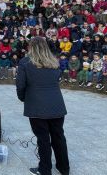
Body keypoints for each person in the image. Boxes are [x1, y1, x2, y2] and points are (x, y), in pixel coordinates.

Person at [16, 37, 69, 175]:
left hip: (36, 106)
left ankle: (45, 170)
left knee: (43, 139)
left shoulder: (25, 62)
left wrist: (23, 98)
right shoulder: (54, 62)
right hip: (56, 104)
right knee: (58, 137)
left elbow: (20, 85)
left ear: (31, 47)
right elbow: (56, 79)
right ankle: (64, 168)